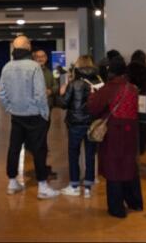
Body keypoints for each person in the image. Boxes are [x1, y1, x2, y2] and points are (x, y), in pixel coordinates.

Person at [0, 36, 59, 199]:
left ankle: (12, 183)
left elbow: (2, 93)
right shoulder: (34, 67)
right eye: (29, 43)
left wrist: (10, 108)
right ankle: (42, 187)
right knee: (39, 150)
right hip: (35, 115)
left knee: (14, 148)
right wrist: (44, 113)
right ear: (27, 46)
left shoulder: (7, 67)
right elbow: (40, 94)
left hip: (17, 115)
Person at [88, 55, 143, 218]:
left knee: (114, 168)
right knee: (129, 165)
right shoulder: (132, 88)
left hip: (114, 132)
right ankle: (135, 202)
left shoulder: (108, 88)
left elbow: (93, 108)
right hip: (131, 131)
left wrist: (92, 95)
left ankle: (117, 208)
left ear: (110, 72)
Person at [58, 55, 100, 198]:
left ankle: (74, 186)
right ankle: (88, 187)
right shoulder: (98, 81)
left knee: (73, 154)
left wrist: (62, 92)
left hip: (75, 123)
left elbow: (63, 104)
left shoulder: (74, 83)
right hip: (92, 123)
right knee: (90, 155)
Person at [33, 49, 59, 179]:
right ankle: (40, 169)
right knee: (39, 140)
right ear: (34, 58)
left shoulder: (50, 72)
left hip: (47, 109)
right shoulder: (32, 71)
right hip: (35, 110)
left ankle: (42, 167)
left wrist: (50, 91)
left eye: (42, 56)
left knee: (43, 139)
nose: (40, 58)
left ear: (46, 58)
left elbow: (56, 86)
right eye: (38, 56)